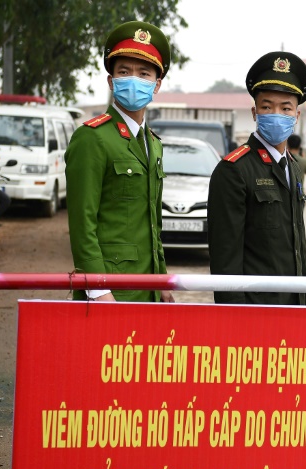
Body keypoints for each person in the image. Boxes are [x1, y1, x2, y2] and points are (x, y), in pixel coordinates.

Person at [64, 20, 174, 303]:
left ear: (157, 85)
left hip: (147, 290)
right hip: (109, 292)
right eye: (124, 72)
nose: (134, 79)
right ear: (112, 81)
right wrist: (98, 288)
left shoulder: (153, 143)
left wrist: (162, 279)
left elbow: (152, 223)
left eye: (144, 73)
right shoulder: (93, 138)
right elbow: (82, 222)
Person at [207, 51, 306, 306]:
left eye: (285, 107)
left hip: (295, 305)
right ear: (255, 112)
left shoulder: (295, 167)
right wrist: (235, 318)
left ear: (296, 116)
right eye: (267, 106)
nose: (276, 113)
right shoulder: (234, 170)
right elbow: (225, 259)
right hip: (256, 311)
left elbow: (298, 248)